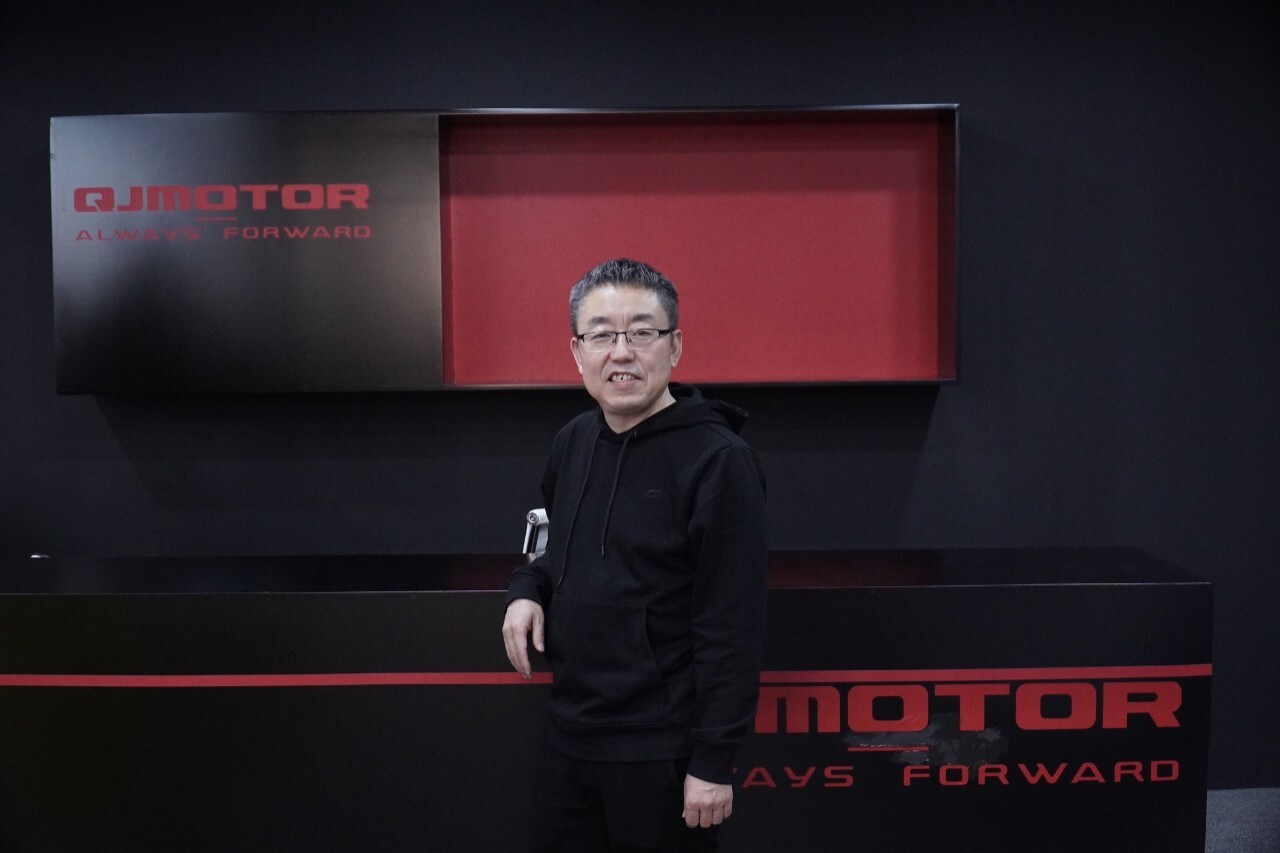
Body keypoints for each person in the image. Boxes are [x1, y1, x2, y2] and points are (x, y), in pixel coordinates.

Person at [502, 258, 768, 852]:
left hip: (662, 752)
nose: (621, 353)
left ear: (675, 346)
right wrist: (528, 588)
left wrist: (714, 760)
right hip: (569, 736)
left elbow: (733, 624)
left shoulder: (719, 461)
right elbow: (558, 547)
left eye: (642, 332)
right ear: (577, 352)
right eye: (601, 335)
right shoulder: (572, 441)